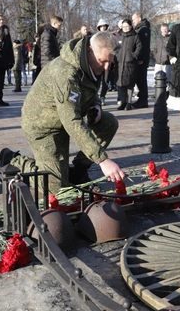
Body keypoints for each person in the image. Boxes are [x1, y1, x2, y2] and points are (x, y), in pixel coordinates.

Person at [12, 31, 125, 194]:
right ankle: (14, 160)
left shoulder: (92, 64)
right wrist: (103, 160)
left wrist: (96, 106)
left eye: (110, 62)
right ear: (89, 50)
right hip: (43, 127)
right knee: (56, 189)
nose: (106, 67)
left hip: (64, 119)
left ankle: (78, 172)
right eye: (103, 61)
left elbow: (91, 92)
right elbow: (71, 121)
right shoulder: (65, 73)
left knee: (108, 123)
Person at [116, 19, 142, 110]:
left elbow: (139, 47)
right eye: (124, 27)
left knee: (129, 84)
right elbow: (115, 47)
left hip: (130, 64)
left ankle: (129, 103)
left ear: (131, 26)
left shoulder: (135, 36)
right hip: (120, 64)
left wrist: (133, 56)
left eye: (127, 26)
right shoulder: (119, 36)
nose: (125, 28)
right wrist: (117, 56)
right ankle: (123, 102)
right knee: (121, 84)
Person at [131, 12, 151, 108]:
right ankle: (141, 99)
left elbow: (144, 46)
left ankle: (143, 100)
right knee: (139, 80)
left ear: (139, 18)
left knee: (141, 80)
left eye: (134, 19)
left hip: (141, 60)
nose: (133, 21)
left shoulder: (143, 29)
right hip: (139, 59)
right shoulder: (140, 28)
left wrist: (141, 58)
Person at [153, 23, 172, 96]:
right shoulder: (158, 38)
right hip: (158, 62)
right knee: (157, 78)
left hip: (167, 62)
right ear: (161, 29)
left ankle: (167, 94)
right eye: (163, 29)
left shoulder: (170, 38)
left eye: (166, 29)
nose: (164, 30)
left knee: (167, 79)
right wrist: (156, 56)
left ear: (168, 29)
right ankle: (158, 93)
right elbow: (155, 48)